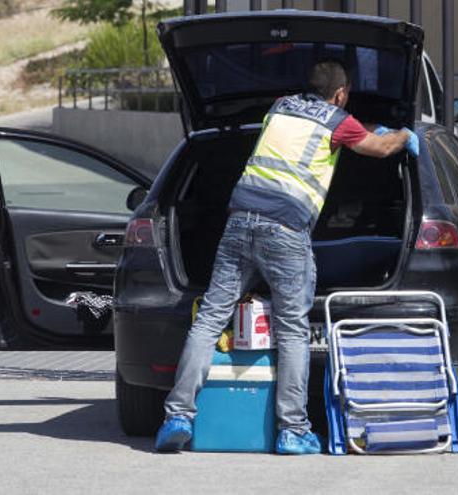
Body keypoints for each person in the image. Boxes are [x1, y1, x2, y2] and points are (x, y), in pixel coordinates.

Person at [154, 60, 419, 454]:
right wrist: (401, 135)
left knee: (210, 317)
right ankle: (293, 429)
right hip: (285, 231)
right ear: (342, 93)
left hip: (240, 221)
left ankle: (178, 416)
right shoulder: (340, 121)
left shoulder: (278, 107)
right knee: (292, 328)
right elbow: (378, 149)